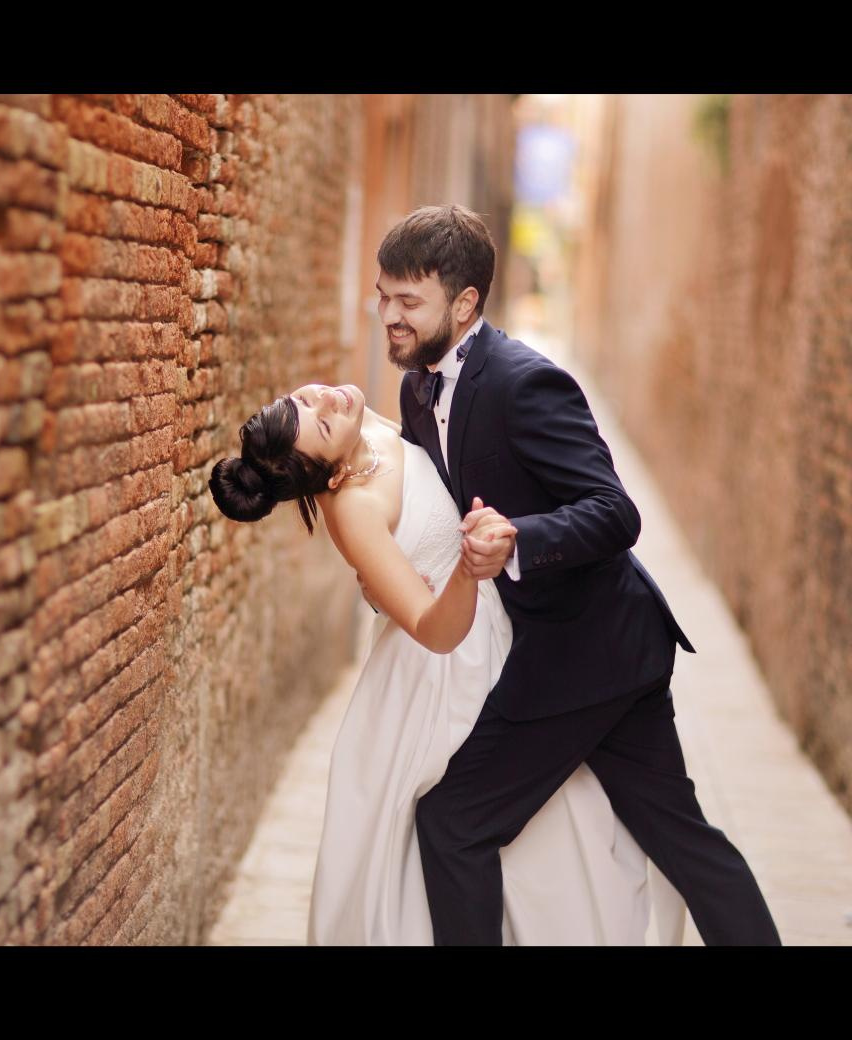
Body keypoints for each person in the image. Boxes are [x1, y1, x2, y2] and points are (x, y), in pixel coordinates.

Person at [369, 203, 781, 945]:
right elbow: (427, 504)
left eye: (407, 302)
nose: (388, 316)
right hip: (614, 652)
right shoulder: (415, 388)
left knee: (454, 821)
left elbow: (615, 512)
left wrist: (516, 540)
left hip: (580, 649)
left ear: (464, 304)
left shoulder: (526, 383)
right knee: (682, 838)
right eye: (382, 296)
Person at [210, 381, 689, 944]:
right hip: (445, 674)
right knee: (481, 827)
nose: (326, 402)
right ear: (333, 477)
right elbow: (433, 631)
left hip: (503, 625)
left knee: (564, 816)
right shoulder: (356, 508)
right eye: (319, 423)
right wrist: (466, 569)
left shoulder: (368, 429)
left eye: (305, 399)